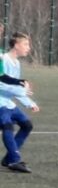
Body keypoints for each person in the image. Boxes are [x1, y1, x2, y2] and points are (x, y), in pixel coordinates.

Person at [0, 32, 40, 174]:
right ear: (16, 45)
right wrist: (22, 92)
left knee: (27, 125)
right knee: (7, 126)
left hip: (7, 102)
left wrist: (29, 102)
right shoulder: (3, 59)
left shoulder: (16, 62)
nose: (28, 48)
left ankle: (9, 158)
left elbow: (17, 88)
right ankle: (14, 160)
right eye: (25, 44)